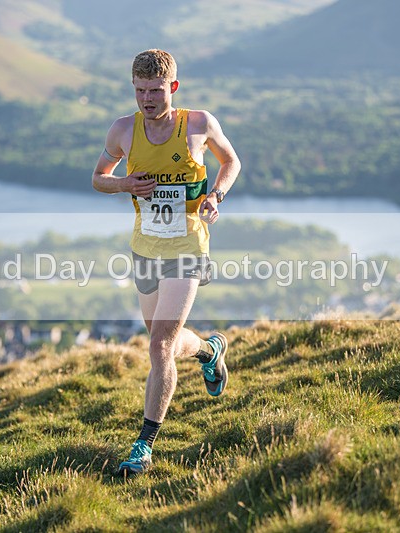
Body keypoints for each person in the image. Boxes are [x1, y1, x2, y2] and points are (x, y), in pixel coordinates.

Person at [92, 49, 241, 477]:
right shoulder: (123, 131)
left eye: (155, 91)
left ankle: (143, 446)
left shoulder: (198, 124)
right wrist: (123, 184)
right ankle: (211, 350)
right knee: (169, 345)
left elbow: (231, 161)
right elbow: (98, 177)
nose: (147, 100)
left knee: (158, 346)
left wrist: (215, 195)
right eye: (139, 91)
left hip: (188, 248)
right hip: (145, 249)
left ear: (172, 87)